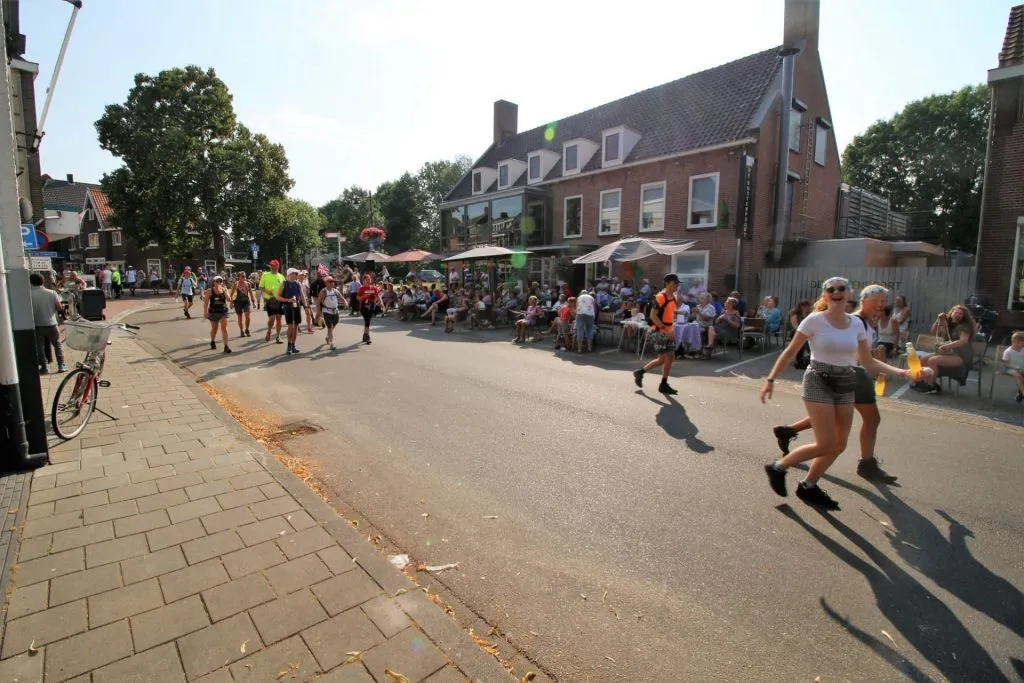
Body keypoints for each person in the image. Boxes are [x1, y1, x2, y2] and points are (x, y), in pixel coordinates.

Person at [760, 277, 928, 510]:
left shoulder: (856, 324)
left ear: (849, 294)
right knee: (826, 443)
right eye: (831, 289)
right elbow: (790, 352)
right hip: (818, 379)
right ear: (825, 296)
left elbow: (868, 362)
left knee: (838, 444)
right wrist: (770, 380)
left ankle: (808, 486)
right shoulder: (814, 320)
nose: (836, 292)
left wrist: (905, 373)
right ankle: (778, 467)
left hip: (845, 381)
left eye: (841, 288)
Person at [771, 284, 899, 485]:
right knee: (867, 421)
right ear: (864, 300)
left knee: (837, 423)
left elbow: (866, 356)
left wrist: (880, 364)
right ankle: (864, 464)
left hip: (855, 375)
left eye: (884, 302)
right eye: (877, 301)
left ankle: (789, 436)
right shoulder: (855, 321)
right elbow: (856, 357)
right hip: (850, 376)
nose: (881, 305)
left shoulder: (867, 323)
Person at [633, 274, 680, 395]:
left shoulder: (673, 297)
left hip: (667, 330)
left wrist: (672, 329)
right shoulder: (660, 297)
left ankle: (642, 373)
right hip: (659, 330)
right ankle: (661, 383)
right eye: (675, 283)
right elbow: (653, 316)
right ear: (668, 283)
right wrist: (666, 329)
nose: (677, 286)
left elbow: (670, 314)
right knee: (665, 358)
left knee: (668, 358)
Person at [915, 304, 977, 394]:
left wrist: (947, 346)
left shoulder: (964, 326)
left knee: (932, 361)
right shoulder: (948, 323)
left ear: (964, 316)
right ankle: (925, 381)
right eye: (956, 312)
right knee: (923, 359)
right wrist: (938, 319)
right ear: (951, 313)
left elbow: (963, 341)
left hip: (961, 356)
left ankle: (930, 386)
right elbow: (933, 331)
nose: (958, 315)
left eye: (961, 314)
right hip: (949, 353)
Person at [30, 273, 66, 374]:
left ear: (31, 282)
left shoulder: (29, 294)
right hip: (51, 323)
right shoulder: (52, 293)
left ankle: (44, 367)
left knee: (40, 347)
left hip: (37, 325)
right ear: (43, 281)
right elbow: (59, 308)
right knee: (57, 344)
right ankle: (61, 365)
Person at [277, 268, 304, 354]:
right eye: (295, 274)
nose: (297, 276)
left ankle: (293, 345)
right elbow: (277, 296)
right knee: (290, 326)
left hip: (297, 306)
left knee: (296, 325)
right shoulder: (284, 284)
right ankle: (289, 346)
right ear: (290, 274)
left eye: (297, 274)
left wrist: (306, 306)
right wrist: (287, 300)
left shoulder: (298, 284)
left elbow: (302, 295)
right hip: (288, 306)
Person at [203, 275, 232, 353]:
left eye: (220, 281)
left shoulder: (224, 289)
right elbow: (206, 303)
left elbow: (229, 299)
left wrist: (225, 292)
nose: (218, 283)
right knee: (214, 329)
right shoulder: (209, 291)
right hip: (213, 312)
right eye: (217, 281)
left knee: (224, 328)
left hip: (223, 311)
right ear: (214, 282)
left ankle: (226, 346)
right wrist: (205, 312)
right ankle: (212, 341)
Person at [259, 260, 286, 344]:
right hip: (270, 300)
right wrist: (267, 292)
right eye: (271, 266)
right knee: (272, 318)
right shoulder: (265, 275)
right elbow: (261, 287)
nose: (272, 267)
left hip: (279, 300)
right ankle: (269, 331)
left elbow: (284, 288)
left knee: (279, 319)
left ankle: (278, 336)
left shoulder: (281, 277)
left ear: (277, 267)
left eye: (274, 266)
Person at [317, 275, 344, 350]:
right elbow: (318, 302)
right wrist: (319, 312)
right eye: (330, 281)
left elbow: (341, 297)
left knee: (335, 323)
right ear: (326, 283)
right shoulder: (323, 291)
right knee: (330, 326)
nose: (332, 283)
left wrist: (345, 302)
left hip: (335, 311)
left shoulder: (335, 291)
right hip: (327, 311)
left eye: (333, 282)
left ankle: (328, 336)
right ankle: (331, 343)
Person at [357, 273, 382, 344]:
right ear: (363, 281)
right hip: (363, 307)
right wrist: (364, 296)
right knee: (367, 321)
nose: (368, 281)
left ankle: (365, 335)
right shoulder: (361, 288)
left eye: (369, 279)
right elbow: (358, 298)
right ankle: (367, 336)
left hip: (371, 306)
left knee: (367, 321)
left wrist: (381, 303)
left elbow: (377, 296)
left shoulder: (373, 288)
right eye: (366, 280)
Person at [1001, 330, 1024, 402]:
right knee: (1018, 376)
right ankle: (1023, 393)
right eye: (1022, 342)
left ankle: (1020, 393)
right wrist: (1015, 367)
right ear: (1015, 341)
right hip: (1009, 368)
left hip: (1020, 368)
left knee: (1021, 375)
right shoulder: (1008, 351)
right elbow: (1006, 363)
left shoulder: (1023, 350)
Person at [230, 271, 255, 337]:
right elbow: (231, 295)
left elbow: (251, 293)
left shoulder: (248, 284)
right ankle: (241, 331)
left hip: (246, 302)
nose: (244, 277)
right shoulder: (236, 284)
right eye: (243, 276)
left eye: (245, 276)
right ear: (239, 277)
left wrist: (253, 302)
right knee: (240, 317)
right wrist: (231, 303)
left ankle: (247, 329)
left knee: (247, 315)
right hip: (238, 303)